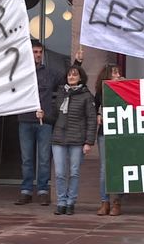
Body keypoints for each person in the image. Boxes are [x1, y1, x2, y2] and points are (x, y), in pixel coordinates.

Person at [15, 40, 83, 206]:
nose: (37, 55)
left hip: (44, 121)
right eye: (34, 52)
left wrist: (77, 62)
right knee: (26, 158)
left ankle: (43, 190)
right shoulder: (21, 73)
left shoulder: (50, 73)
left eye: (39, 52)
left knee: (44, 158)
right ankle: (26, 190)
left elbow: (68, 80)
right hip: (25, 119)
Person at [51, 64, 96, 215]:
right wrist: (42, 114)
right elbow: (54, 116)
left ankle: (71, 202)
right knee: (59, 172)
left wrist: (89, 142)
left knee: (74, 172)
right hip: (59, 138)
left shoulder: (86, 95)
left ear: (80, 78)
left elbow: (91, 119)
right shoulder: (61, 93)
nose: (71, 77)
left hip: (77, 139)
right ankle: (61, 201)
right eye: (69, 75)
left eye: (74, 75)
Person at [94, 63, 124, 216]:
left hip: (121, 133)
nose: (117, 75)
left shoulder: (125, 88)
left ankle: (117, 202)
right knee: (105, 168)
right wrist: (98, 115)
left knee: (119, 167)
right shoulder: (101, 92)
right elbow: (94, 107)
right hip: (105, 133)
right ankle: (104, 201)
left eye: (118, 72)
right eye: (114, 73)